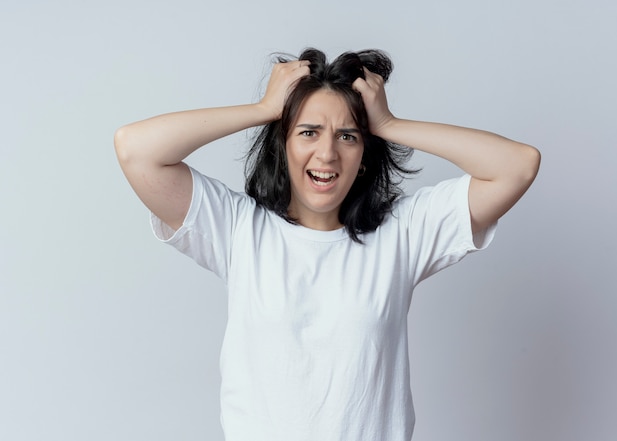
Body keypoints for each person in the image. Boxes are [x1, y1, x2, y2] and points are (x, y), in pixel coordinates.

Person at [114, 48, 540, 441]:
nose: (327, 153)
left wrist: (390, 125)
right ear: (282, 145)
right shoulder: (239, 228)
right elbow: (136, 149)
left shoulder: (403, 233)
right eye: (308, 132)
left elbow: (517, 166)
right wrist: (263, 110)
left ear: (365, 154)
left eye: (347, 136)